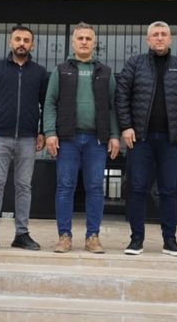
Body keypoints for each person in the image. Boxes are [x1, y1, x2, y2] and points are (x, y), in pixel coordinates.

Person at [116, 21, 177, 257]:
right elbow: (122, 96)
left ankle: (170, 241)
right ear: (147, 40)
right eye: (155, 35)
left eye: (164, 34)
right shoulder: (135, 64)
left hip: (171, 140)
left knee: (169, 190)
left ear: (170, 39)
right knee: (138, 188)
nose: (160, 38)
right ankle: (136, 240)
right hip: (140, 139)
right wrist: (126, 126)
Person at [43, 22, 121, 254]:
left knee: (95, 187)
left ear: (94, 42)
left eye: (88, 38)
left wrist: (115, 135)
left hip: (97, 140)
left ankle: (92, 237)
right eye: (81, 38)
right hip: (68, 139)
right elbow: (49, 103)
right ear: (73, 42)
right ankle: (64, 236)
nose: (84, 42)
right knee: (65, 187)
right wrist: (49, 133)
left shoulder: (105, 72)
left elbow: (112, 107)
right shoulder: (61, 70)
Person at [0, 25, 48, 251]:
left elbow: (47, 104)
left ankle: (22, 234)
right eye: (18, 39)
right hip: (0, 137)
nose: (21, 43)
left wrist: (42, 131)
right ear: (10, 42)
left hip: (27, 138)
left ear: (32, 45)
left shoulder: (39, 72)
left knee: (24, 185)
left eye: (26, 40)